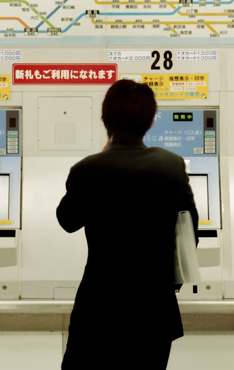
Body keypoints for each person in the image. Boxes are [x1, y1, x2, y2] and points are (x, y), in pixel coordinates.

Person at [56, 79, 199, 369]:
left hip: (98, 310)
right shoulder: (172, 165)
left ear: (106, 120)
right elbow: (190, 231)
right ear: (149, 121)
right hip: (154, 311)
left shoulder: (88, 169)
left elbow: (67, 221)